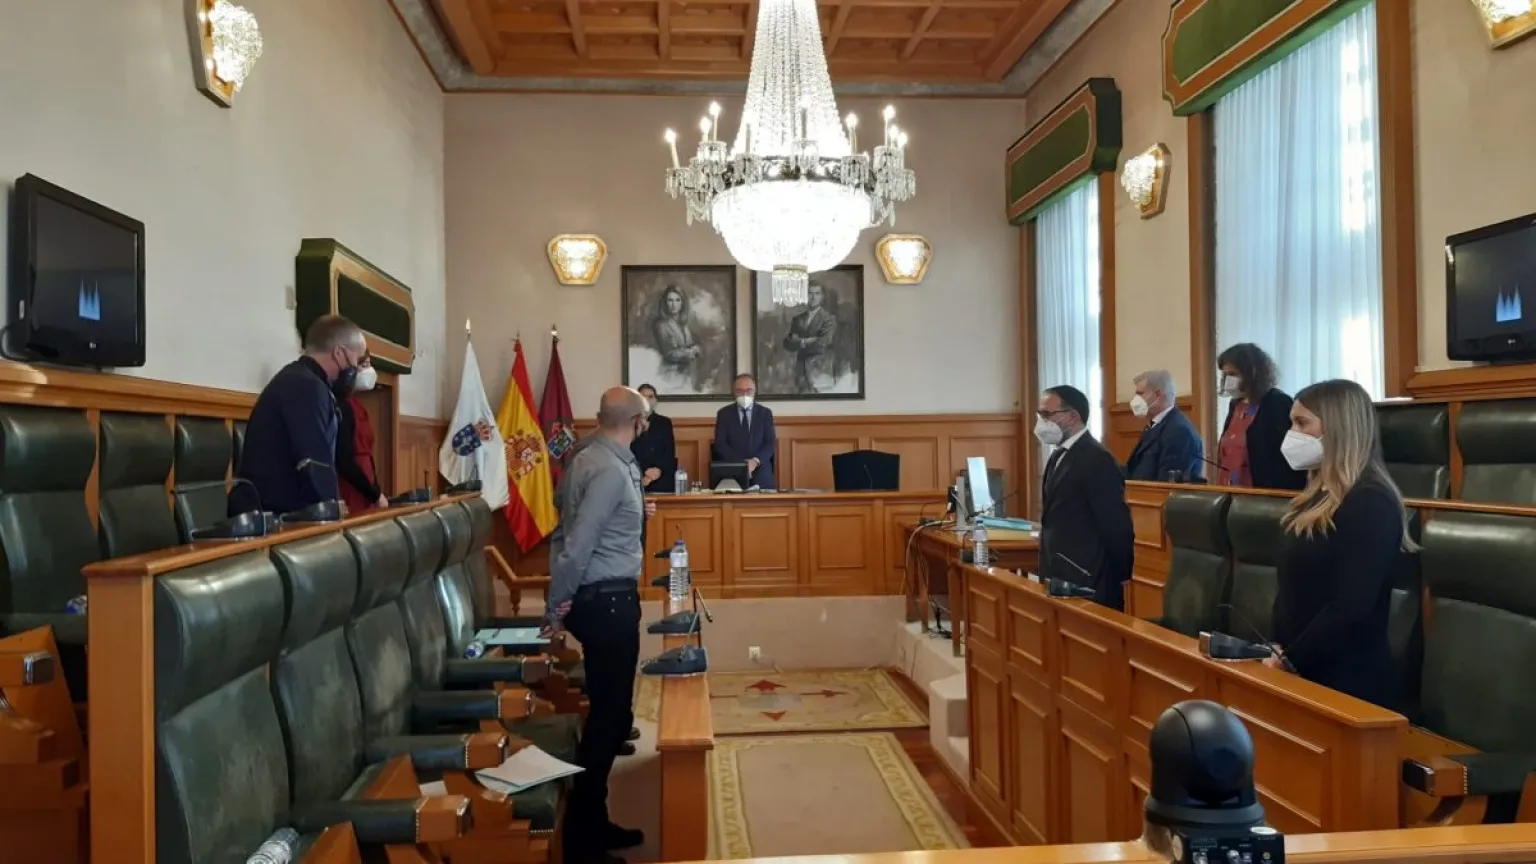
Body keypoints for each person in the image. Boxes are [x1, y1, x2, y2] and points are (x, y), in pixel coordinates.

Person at [544, 386, 651, 863]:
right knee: (610, 719)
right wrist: (555, 606)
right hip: (606, 601)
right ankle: (583, 839)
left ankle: (594, 819)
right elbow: (578, 542)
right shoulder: (608, 469)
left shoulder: (589, 457)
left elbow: (568, 525)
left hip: (603, 598)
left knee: (612, 716)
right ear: (638, 422)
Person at [1265, 379, 1416, 711]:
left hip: (1348, 683)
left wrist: (1292, 659)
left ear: (1337, 428)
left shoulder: (1371, 501)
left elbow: (1352, 605)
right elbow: (1291, 586)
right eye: (1292, 423)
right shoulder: (1314, 497)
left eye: (1302, 423)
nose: (1292, 433)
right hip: (1301, 669)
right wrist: (1276, 644)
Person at [232, 315, 367, 515]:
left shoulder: (298, 378)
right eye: (357, 360)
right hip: (272, 518)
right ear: (339, 353)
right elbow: (315, 460)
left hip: (273, 511)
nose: (356, 369)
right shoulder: (307, 387)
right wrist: (332, 508)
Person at [1035, 385, 1134, 610]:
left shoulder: (1097, 459)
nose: (1041, 422)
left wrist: (1122, 573)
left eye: (1047, 414)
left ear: (1072, 417)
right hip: (1057, 570)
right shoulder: (1058, 455)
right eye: (1040, 415)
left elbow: (1114, 524)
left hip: (1087, 576)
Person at [1216, 343, 1305, 490]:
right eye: (1225, 374)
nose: (1228, 380)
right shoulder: (1236, 405)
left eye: (1233, 374)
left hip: (1265, 493)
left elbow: (1286, 456)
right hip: (1230, 489)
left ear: (1252, 374)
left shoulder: (1277, 402)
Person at [1124, 369, 1205, 482]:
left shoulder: (1179, 432)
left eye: (1140, 393)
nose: (1135, 399)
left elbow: (1167, 484)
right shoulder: (1155, 426)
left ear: (1158, 395)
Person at [336, 357, 390, 514]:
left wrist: (376, 489)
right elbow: (344, 460)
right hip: (352, 486)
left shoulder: (358, 405)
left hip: (367, 484)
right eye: (364, 365)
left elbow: (368, 455)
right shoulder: (343, 404)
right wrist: (374, 493)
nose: (370, 370)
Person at [712, 374, 777, 488]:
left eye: (749, 391)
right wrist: (742, 464)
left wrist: (754, 461)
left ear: (754, 392)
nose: (745, 395)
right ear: (734, 393)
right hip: (732, 472)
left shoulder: (765, 414)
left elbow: (770, 443)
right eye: (740, 391)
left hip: (761, 471)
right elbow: (720, 444)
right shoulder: (724, 414)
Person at [783, 280, 837, 393]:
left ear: (822, 296)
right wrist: (807, 341)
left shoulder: (828, 319)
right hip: (800, 373)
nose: (813, 297)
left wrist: (800, 342)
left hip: (820, 371)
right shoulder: (798, 319)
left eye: (817, 293)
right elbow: (788, 344)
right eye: (810, 293)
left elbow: (823, 343)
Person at [631, 383, 678, 493]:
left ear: (656, 400)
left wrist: (657, 470)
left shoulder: (664, 422)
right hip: (637, 475)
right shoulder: (630, 422)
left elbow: (669, 452)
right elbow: (628, 452)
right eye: (643, 396)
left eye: (650, 396)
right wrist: (644, 473)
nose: (647, 400)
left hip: (661, 475)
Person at [652, 285, 700, 377]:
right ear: (665, 303)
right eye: (670, 300)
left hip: (686, 374)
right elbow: (670, 354)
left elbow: (689, 344)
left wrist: (696, 349)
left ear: (682, 302)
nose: (674, 304)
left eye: (677, 300)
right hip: (670, 374)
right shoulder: (661, 325)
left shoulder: (683, 324)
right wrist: (692, 352)